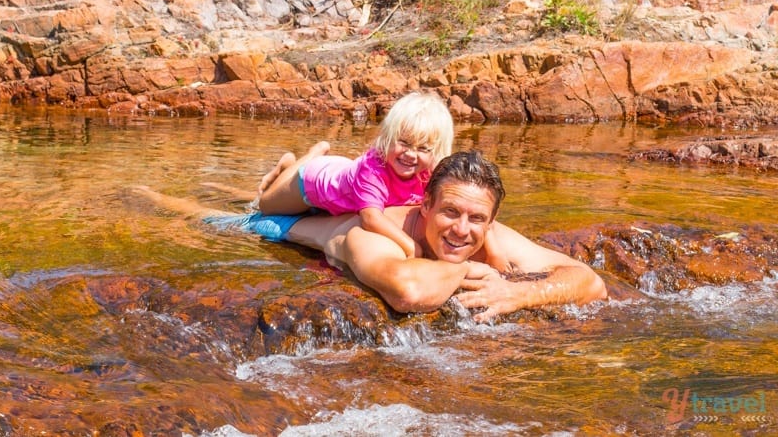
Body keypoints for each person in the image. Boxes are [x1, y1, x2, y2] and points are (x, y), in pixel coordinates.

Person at [133, 151, 608, 322]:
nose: (463, 230)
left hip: (338, 202)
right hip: (292, 229)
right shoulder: (376, 237)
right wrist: (469, 269)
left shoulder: (488, 231)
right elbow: (408, 291)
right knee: (221, 216)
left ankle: (278, 172)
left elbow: (589, 282)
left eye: (477, 219)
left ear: (492, 218)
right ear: (424, 206)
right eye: (450, 213)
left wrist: (517, 292)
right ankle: (147, 193)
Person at [256, 91, 454, 260]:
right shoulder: (374, 170)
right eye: (403, 142)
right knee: (265, 206)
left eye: (423, 148)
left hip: (345, 177)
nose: (411, 154)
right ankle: (301, 159)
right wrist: (412, 247)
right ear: (387, 137)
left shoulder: (429, 174)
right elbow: (370, 218)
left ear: (435, 152)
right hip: (312, 182)